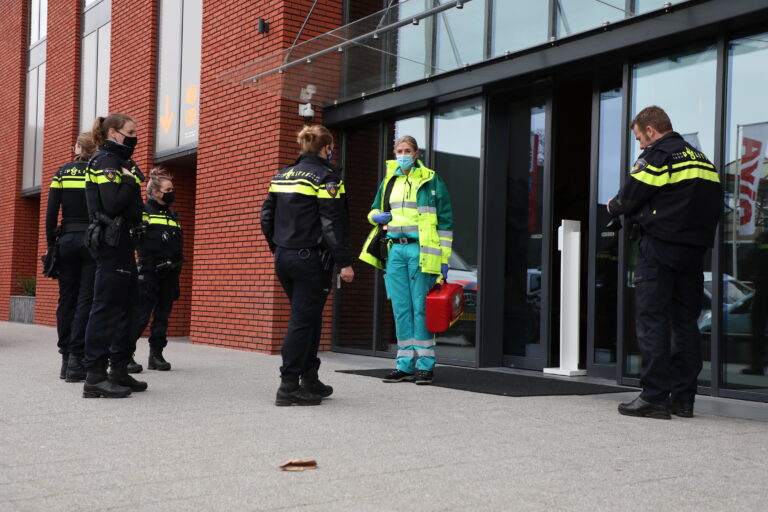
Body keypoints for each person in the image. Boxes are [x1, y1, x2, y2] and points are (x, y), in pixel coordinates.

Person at [608, 106, 721, 419]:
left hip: (659, 250)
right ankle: (684, 400)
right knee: (686, 324)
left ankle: (655, 397)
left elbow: (629, 197)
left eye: (639, 138)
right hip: (694, 252)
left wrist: (613, 205)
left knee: (653, 320)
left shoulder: (658, 155)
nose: (640, 145)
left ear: (650, 130)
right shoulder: (703, 160)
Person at [260, 125, 354, 406]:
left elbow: (266, 217)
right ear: (327, 148)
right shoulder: (326, 177)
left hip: (284, 258)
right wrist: (344, 262)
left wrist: (277, 248)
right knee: (303, 320)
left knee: (309, 317)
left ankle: (310, 379)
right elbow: (331, 223)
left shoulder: (281, 175)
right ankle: (288, 385)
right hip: (310, 259)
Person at [359, 135, 454, 385]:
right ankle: (404, 365)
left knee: (421, 309)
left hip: (420, 250)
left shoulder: (431, 180)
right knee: (400, 310)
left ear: (416, 153)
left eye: (407, 150)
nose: (403, 154)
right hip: (394, 251)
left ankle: (425, 366)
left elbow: (445, 222)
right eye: (399, 150)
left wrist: (444, 259)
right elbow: (372, 210)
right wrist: (376, 217)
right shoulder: (389, 179)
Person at [81, 113, 148, 398]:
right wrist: (130, 183)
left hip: (123, 245)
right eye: (130, 131)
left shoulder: (118, 162)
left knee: (131, 308)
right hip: (111, 244)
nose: (135, 137)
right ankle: (94, 377)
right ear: (114, 133)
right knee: (106, 308)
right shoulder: (106, 161)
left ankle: (118, 369)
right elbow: (111, 205)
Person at [45, 133, 97, 382]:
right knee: (85, 300)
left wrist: (51, 245)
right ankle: (78, 359)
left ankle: (65, 359)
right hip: (90, 241)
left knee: (66, 300)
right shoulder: (97, 172)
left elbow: (50, 214)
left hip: (66, 241)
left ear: (78, 147)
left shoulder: (62, 172)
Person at [129, 168, 183, 372]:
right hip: (149, 269)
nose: (172, 192)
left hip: (170, 271)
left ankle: (156, 355)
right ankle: (125, 355)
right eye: (168, 189)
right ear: (157, 192)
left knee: (163, 315)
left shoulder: (172, 215)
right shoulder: (142, 212)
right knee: (141, 314)